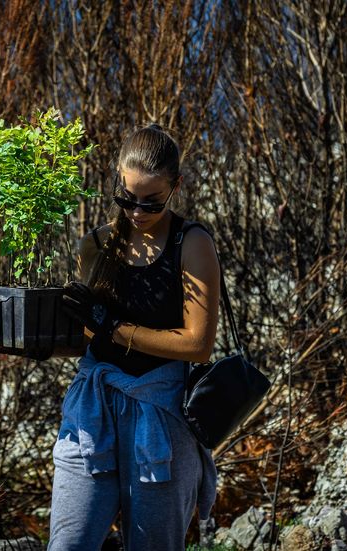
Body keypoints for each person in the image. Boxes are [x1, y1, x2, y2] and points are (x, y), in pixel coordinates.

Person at [47, 124, 220, 550]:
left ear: (175, 187)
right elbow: (89, 337)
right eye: (126, 198)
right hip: (92, 410)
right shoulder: (96, 245)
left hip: (159, 415)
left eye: (151, 201)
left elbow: (198, 344)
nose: (137, 211)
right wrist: (40, 341)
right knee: (68, 544)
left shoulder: (191, 242)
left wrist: (115, 328)